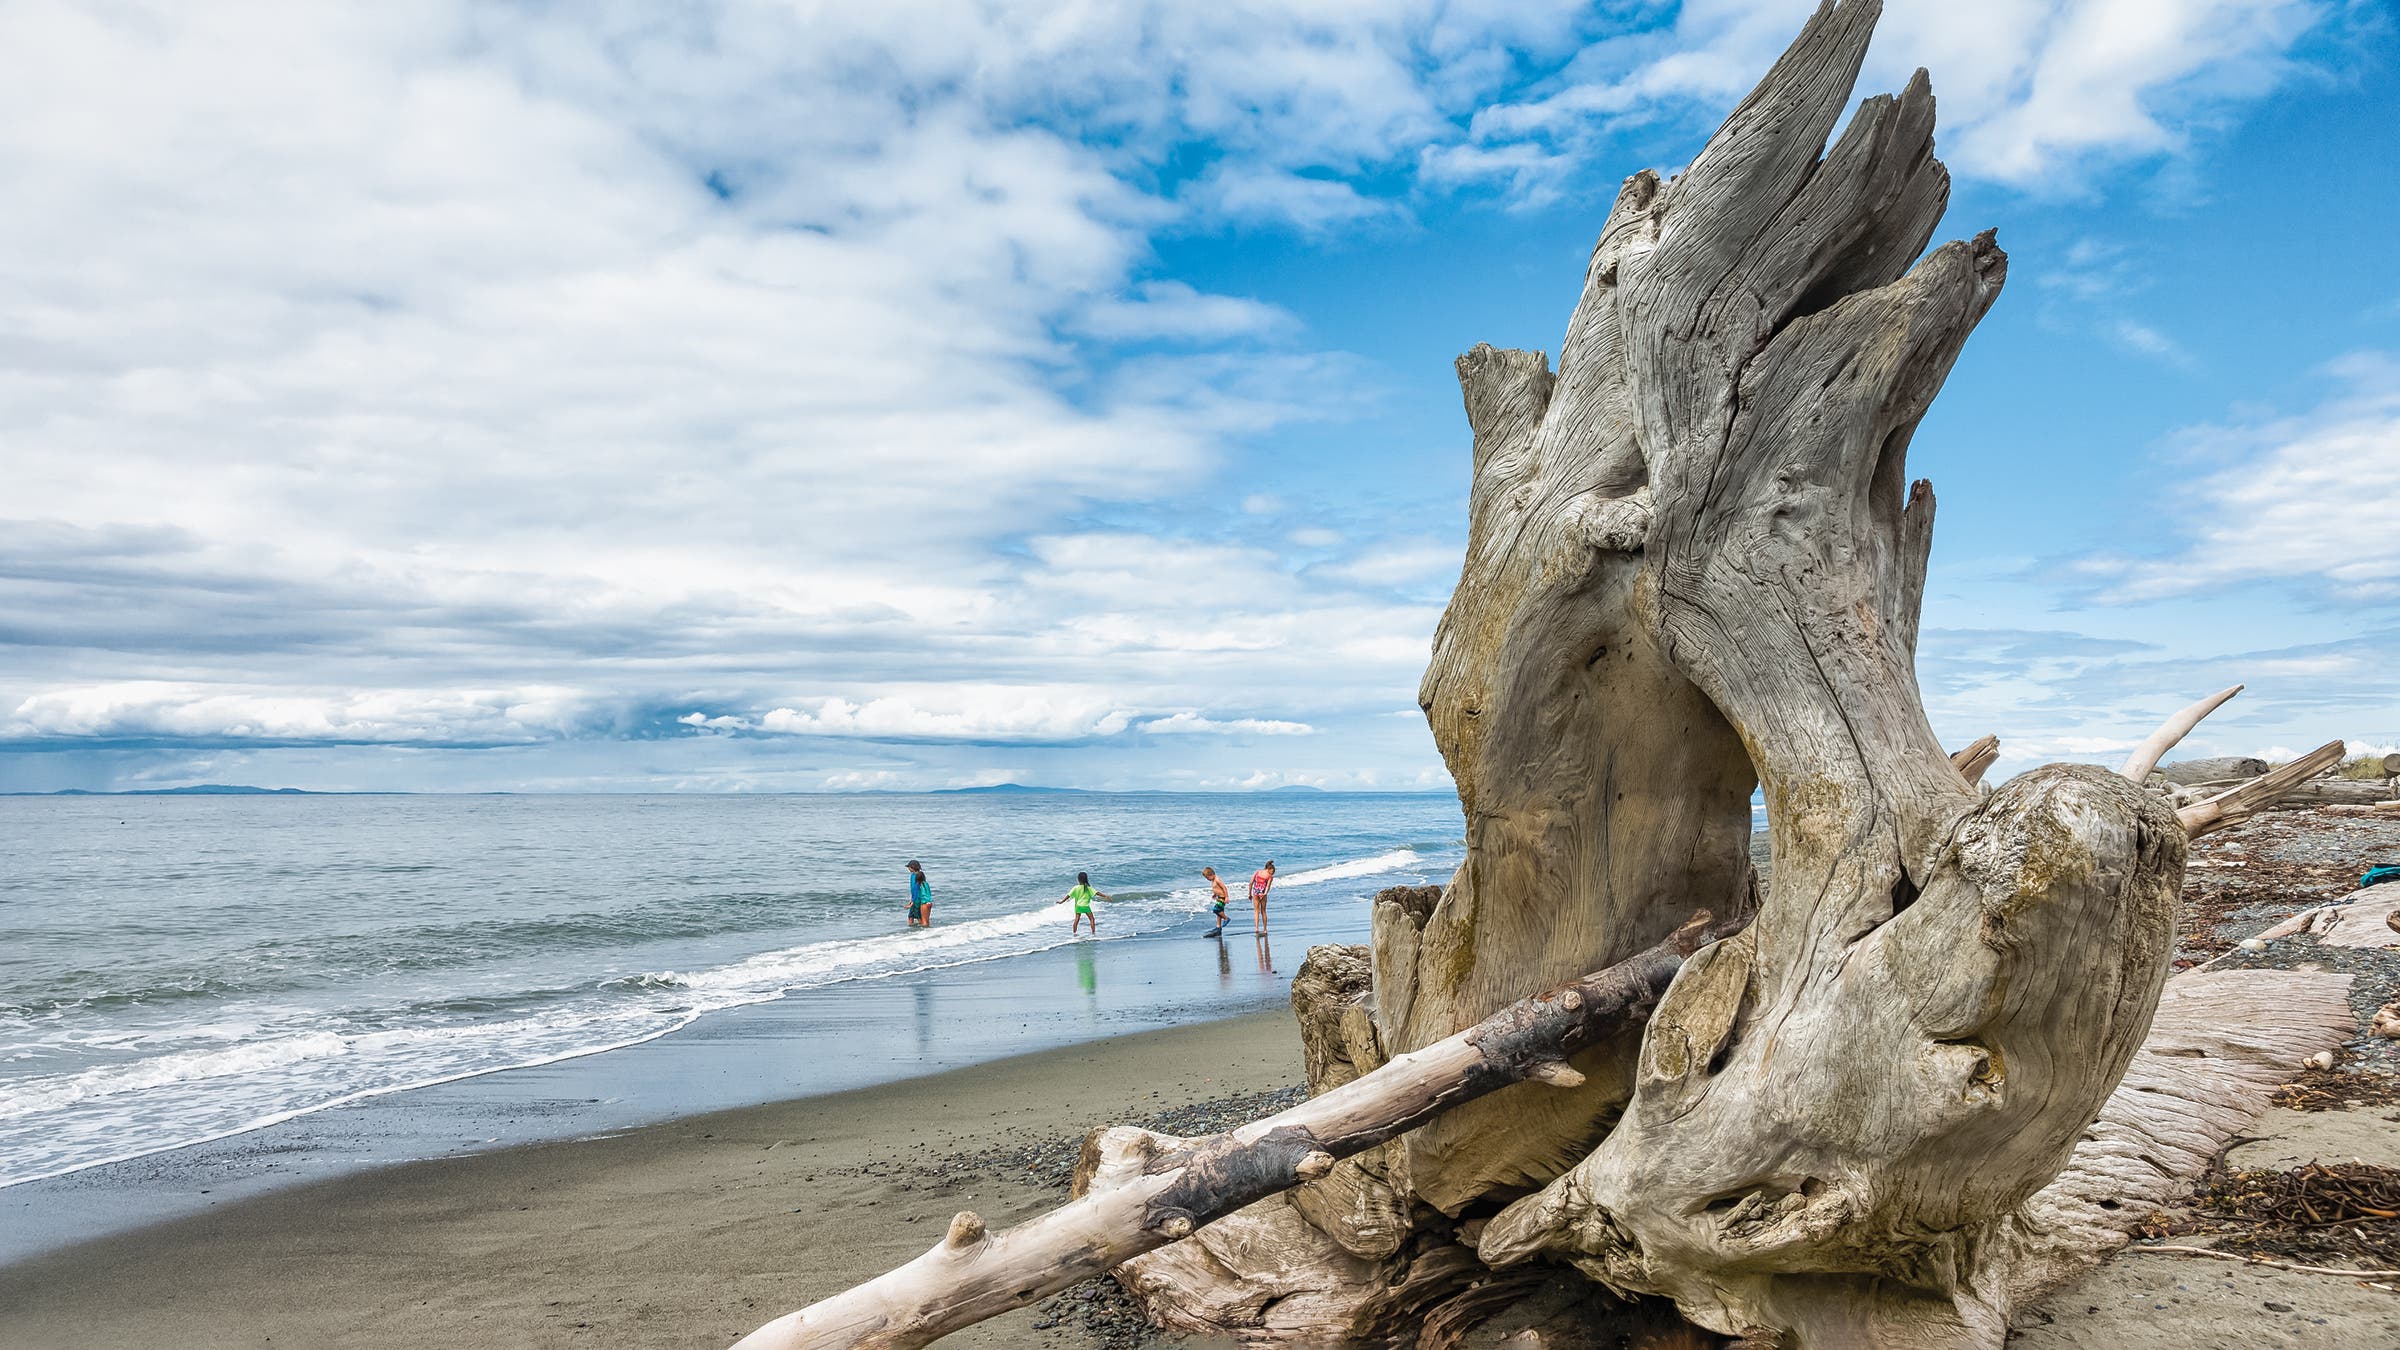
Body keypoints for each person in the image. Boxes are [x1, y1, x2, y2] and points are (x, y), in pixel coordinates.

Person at [1060, 870, 1109, 935]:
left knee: (1076, 919)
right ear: (1086, 879)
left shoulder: (1075, 888)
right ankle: (1093, 933)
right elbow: (1097, 893)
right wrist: (1105, 896)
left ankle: (1074, 933)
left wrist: (1062, 901)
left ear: (1078, 879)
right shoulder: (1088, 888)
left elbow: (1068, 895)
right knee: (1092, 919)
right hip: (1086, 906)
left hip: (1078, 906)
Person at [1248, 860, 1276, 932]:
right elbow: (1268, 887)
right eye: (1272, 871)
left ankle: (1256, 928)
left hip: (1255, 892)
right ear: (1269, 869)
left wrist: (1249, 893)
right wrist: (1265, 893)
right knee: (1263, 911)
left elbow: (1251, 883)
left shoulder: (1257, 872)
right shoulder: (1269, 876)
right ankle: (1265, 929)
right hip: (1262, 893)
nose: (1272, 873)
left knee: (1256, 911)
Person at [1202, 866, 1229, 934]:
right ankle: (1218, 927)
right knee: (1219, 913)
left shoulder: (1217, 879)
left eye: (1207, 878)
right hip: (1219, 897)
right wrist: (1215, 894)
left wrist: (1227, 897)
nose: (1207, 879)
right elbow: (1217, 888)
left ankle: (1226, 918)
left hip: (1222, 898)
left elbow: (1224, 888)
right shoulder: (1213, 880)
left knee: (1216, 910)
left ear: (1211, 874)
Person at [906, 860, 932, 927]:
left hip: (921, 902)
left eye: (909, 867)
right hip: (928, 902)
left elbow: (915, 891)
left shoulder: (917, 883)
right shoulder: (925, 883)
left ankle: (921, 934)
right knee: (925, 920)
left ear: (912, 867)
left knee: (921, 919)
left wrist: (912, 902)